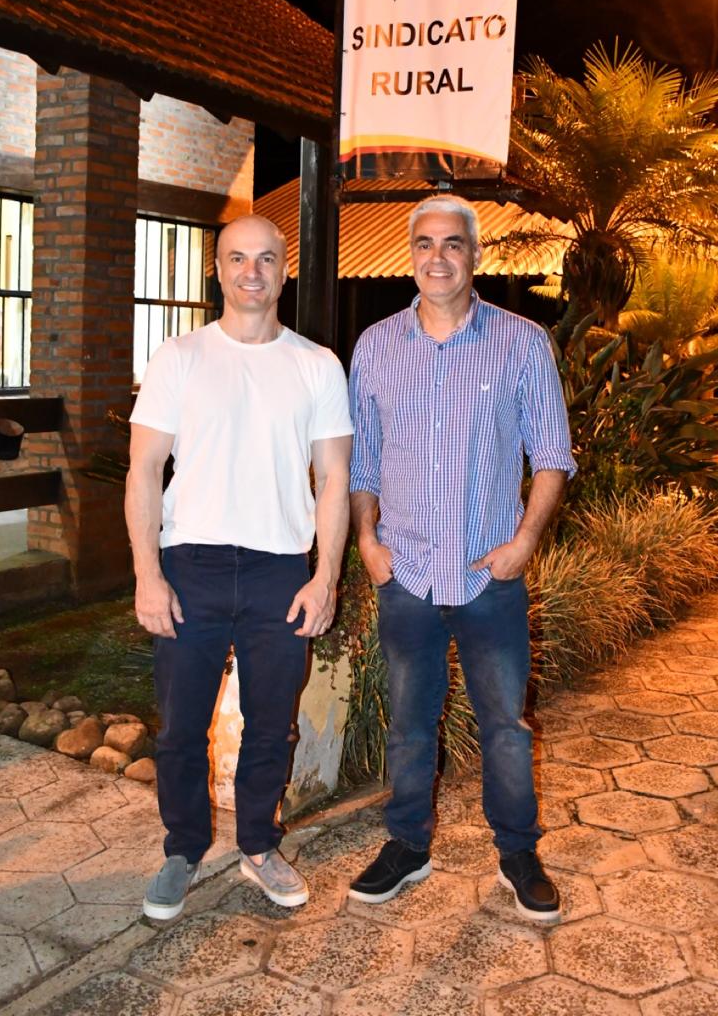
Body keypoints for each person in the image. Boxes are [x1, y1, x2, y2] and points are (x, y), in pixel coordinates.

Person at [347, 194, 575, 923]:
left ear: (475, 255)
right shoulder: (375, 346)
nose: (437, 257)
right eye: (425, 243)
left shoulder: (521, 342)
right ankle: (407, 846)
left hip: (487, 577)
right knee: (409, 725)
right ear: (409, 254)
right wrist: (367, 541)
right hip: (406, 575)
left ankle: (517, 853)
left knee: (505, 726)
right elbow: (362, 461)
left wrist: (523, 543)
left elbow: (552, 455)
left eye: (453, 244)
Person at [126, 215, 353, 922]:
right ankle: (183, 850)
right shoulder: (179, 357)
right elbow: (142, 470)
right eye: (236, 258)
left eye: (265, 259)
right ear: (218, 269)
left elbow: (334, 480)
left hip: (279, 570)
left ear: (284, 270)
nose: (251, 271)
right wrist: (147, 574)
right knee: (179, 728)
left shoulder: (317, 365)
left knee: (271, 726)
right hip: (189, 563)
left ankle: (258, 844)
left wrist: (324, 577)